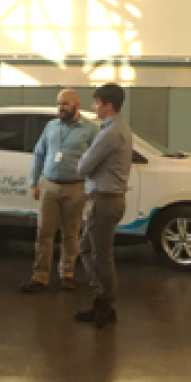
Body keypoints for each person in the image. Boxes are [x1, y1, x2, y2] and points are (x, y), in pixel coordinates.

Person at [21, 89, 98, 293]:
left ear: (76, 105)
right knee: (44, 233)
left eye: (64, 104)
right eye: (58, 104)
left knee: (71, 233)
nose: (60, 108)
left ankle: (67, 274)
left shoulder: (90, 130)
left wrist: (92, 186)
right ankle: (40, 276)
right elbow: (39, 154)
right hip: (49, 186)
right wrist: (33, 182)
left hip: (76, 187)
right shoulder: (51, 126)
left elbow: (97, 160)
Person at [74, 83, 132, 329]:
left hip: (103, 201)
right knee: (87, 249)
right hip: (107, 199)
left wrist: (87, 159)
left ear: (108, 105)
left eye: (96, 103)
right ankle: (101, 299)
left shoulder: (109, 133)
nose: (94, 107)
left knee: (100, 255)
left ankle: (105, 305)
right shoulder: (118, 128)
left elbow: (83, 167)